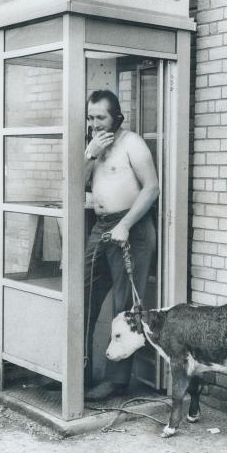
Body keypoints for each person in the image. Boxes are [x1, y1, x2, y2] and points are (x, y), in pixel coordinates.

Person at [84, 89, 159, 401]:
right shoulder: (92, 147)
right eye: (90, 118)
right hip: (100, 227)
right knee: (83, 294)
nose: (95, 124)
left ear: (117, 117)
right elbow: (73, 185)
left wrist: (126, 225)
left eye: (101, 117)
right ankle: (80, 371)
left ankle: (116, 381)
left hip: (132, 228)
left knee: (124, 305)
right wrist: (88, 154)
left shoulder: (132, 143)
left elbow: (152, 187)